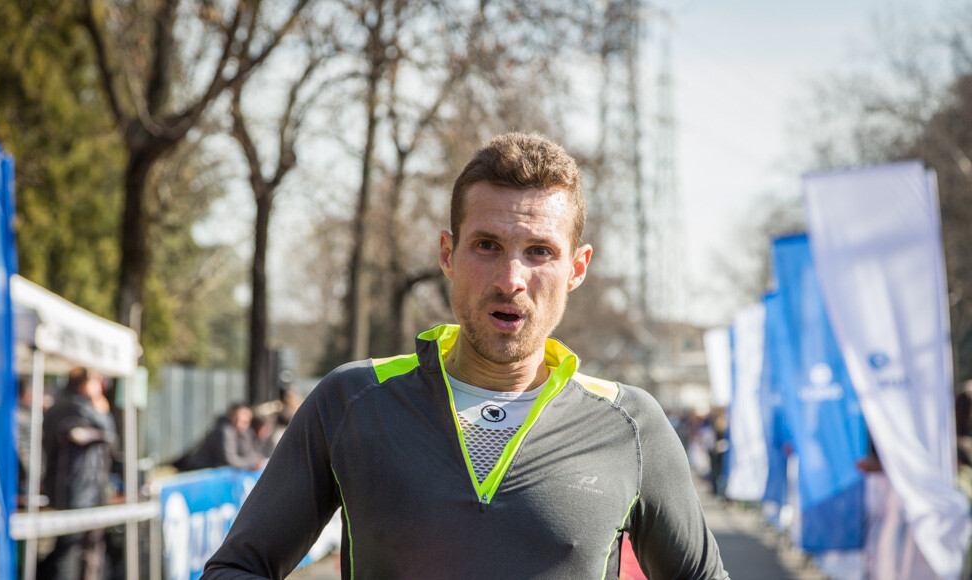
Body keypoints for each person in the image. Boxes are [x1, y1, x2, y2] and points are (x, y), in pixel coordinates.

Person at [203, 132, 728, 579]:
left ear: (576, 267)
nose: (511, 280)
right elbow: (236, 568)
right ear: (448, 254)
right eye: (486, 246)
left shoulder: (630, 424)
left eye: (539, 251)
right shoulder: (353, 402)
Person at [38, 367, 117, 580]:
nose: (100, 386)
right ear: (85, 384)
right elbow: (110, 436)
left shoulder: (64, 404)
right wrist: (102, 412)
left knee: (87, 549)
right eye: (95, 381)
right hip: (76, 488)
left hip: (84, 488)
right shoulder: (76, 406)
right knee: (70, 549)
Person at [175, 403, 265, 472]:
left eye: (245, 422)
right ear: (231, 416)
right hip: (198, 471)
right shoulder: (224, 430)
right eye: (237, 419)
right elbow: (230, 460)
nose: (240, 424)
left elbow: (250, 452)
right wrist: (251, 463)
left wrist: (255, 460)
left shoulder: (245, 432)